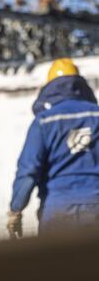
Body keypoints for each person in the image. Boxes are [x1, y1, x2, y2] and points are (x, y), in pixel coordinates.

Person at [7, 58, 99, 238]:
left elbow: (28, 171)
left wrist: (15, 210)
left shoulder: (44, 122)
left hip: (58, 208)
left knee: (58, 266)